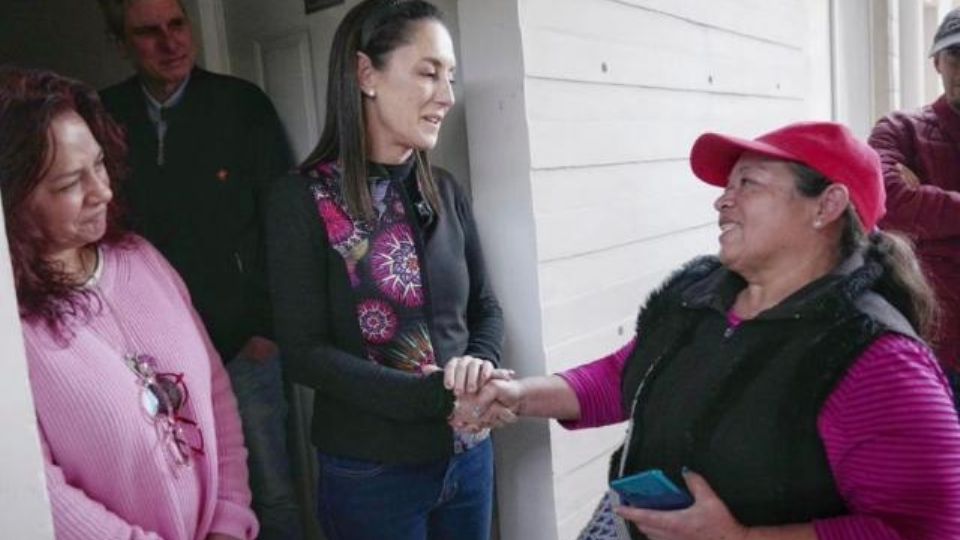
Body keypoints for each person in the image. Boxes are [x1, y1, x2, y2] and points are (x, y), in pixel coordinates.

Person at [458, 122, 960, 539]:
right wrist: (519, 395)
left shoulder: (875, 357)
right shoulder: (702, 295)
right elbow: (628, 374)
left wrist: (743, 539)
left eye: (749, 184)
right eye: (727, 187)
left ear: (826, 206)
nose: (722, 201)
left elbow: (927, 530)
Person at [264, 1, 506, 539]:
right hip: (370, 474)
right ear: (365, 74)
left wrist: (479, 375)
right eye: (427, 73)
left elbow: (485, 308)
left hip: (469, 461)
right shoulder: (300, 200)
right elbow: (304, 351)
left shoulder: (444, 190)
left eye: (450, 77)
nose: (447, 95)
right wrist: (436, 397)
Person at [0, 66, 257, 540]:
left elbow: (215, 389)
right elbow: (41, 494)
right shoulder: (10, 329)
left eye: (98, 165)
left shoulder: (141, 259)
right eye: (68, 183)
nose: (103, 191)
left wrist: (227, 520)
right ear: (13, 201)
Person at [95, 1, 302, 537]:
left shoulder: (241, 105)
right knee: (180, 496)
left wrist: (265, 329)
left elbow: (285, 222)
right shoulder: (103, 115)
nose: (170, 43)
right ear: (121, 44)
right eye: (149, 32)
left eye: (178, 25)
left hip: (243, 347)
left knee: (273, 490)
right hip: (149, 356)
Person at [868, 7, 960, 401]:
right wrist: (907, 200)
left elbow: (911, 208)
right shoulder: (900, 129)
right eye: (957, 56)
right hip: (934, 344)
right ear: (936, 61)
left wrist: (928, 204)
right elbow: (888, 204)